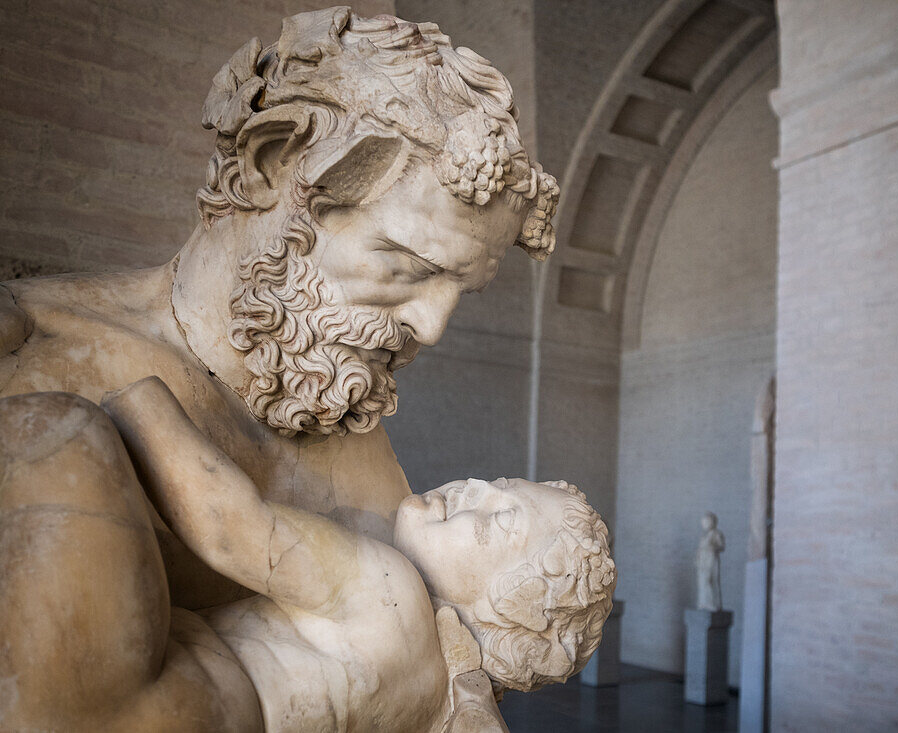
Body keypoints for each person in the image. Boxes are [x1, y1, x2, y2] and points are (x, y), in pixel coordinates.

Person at [0, 8, 563, 729]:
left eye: (461, 290)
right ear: (270, 165)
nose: (432, 326)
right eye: (408, 265)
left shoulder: (372, 471)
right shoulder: (27, 348)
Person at [83, 376, 614, 732]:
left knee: (58, 431)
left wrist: (135, 399)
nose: (471, 487)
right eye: (497, 481)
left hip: (147, 691)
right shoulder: (434, 696)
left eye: (498, 520)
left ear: (498, 608)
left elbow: (230, 527)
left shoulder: (391, 589)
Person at [695, 511, 726, 611]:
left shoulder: (717, 533)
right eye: (703, 523)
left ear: (711, 522)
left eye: (705, 522)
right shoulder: (704, 537)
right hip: (703, 560)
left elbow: (721, 546)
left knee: (710, 580)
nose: (703, 525)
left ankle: (713, 603)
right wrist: (697, 559)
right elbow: (699, 549)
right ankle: (704, 602)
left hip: (711, 559)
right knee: (702, 581)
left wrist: (712, 547)